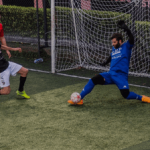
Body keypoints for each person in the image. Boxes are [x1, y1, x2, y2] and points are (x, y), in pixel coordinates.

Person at [68, 20, 150, 105]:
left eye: (114, 42)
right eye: (112, 42)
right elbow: (112, 56)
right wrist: (105, 62)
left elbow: (132, 39)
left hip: (121, 76)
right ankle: (80, 99)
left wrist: (127, 30)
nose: (113, 44)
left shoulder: (126, 46)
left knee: (126, 95)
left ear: (120, 41)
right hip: (110, 74)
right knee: (93, 80)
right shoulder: (114, 49)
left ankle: (142, 98)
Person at [0, 11, 30, 98]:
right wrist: (13, 49)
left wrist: (7, 50)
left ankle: (20, 91)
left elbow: (2, 40)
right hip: (1, 69)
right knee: (6, 91)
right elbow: (2, 47)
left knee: (24, 71)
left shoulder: (0, 25)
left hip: (5, 63)